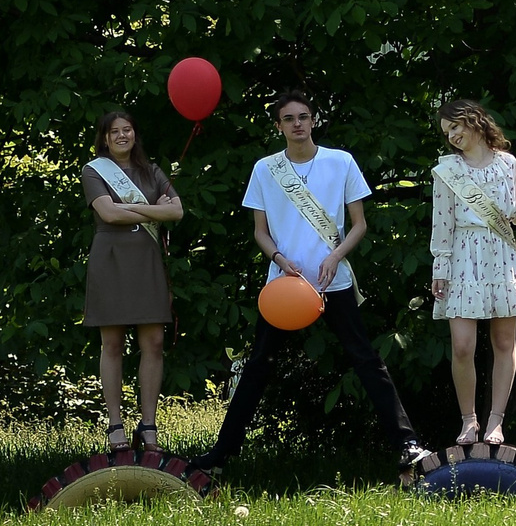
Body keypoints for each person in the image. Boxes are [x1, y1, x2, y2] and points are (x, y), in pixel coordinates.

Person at [198, 91, 431, 474]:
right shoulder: (265, 169)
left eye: (303, 116)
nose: (297, 124)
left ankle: (407, 445)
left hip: (332, 281)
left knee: (366, 360)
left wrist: (335, 257)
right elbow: (260, 232)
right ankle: (220, 456)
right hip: (285, 286)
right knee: (258, 365)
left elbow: (359, 225)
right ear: (278, 126)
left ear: (313, 119)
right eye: (288, 119)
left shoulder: (341, 163)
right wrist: (279, 258)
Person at [430, 96, 516, 445]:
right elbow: (442, 222)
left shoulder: (507, 163)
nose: (451, 135)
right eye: (446, 131)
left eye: (455, 126)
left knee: (503, 341)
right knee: (463, 346)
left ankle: (496, 422)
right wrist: (441, 266)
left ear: (473, 121)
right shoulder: (447, 170)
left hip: (501, 255)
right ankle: (469, 421)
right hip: (463, 256)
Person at [83, 107, 184, 455]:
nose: (122, 136)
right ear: (105, 138)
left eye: (127, 129)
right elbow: (107, 213)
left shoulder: (151, 170)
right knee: (111, 344)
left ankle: (149, 425)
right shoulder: (93, 171)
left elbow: (177, 211)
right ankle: (115, 425)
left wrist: (131, 211)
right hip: (110, 260)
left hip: (146, 260)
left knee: (153, 342)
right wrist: (153, 208)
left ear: (135, 134)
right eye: (115, 131)